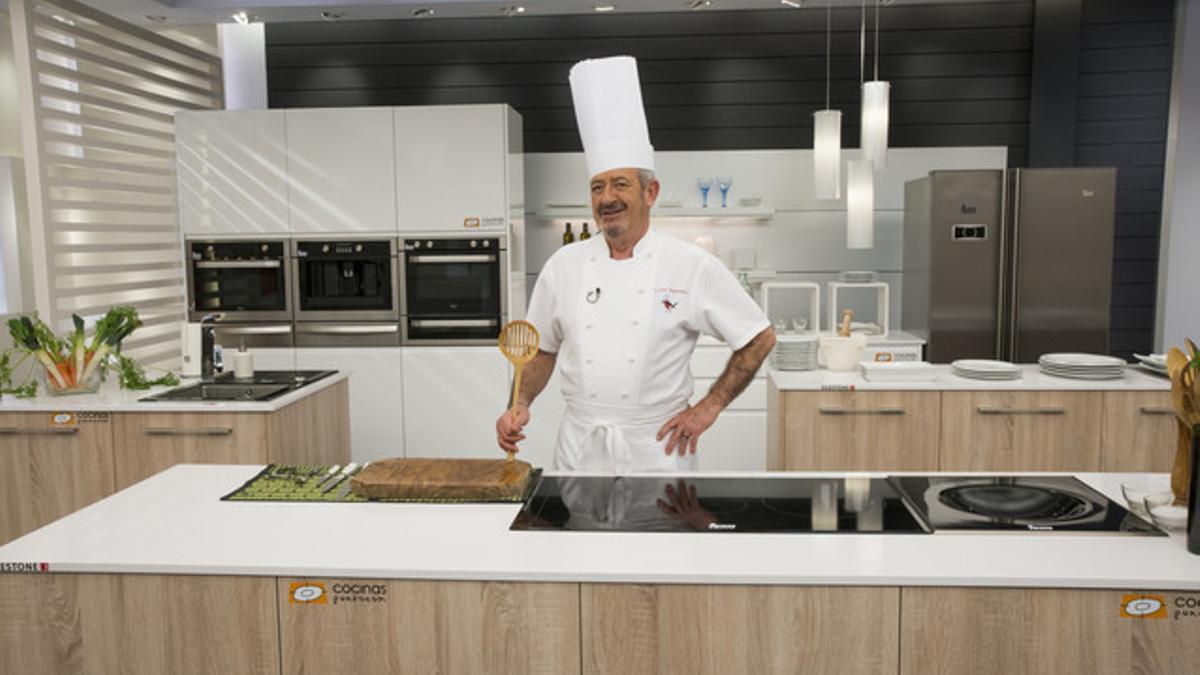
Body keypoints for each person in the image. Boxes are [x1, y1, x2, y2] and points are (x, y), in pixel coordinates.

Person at [494, 56, 775, 472]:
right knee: (577, 539)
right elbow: (542, 351)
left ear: (651, 192)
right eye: (597, 186)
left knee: (661, 539)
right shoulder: (563, 266)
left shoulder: (690, 264)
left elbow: (759, 336)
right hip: (580, 452)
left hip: (657, 453)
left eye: (621, 184)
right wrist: (517, 404)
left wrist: (709, 406)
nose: (607, 197)